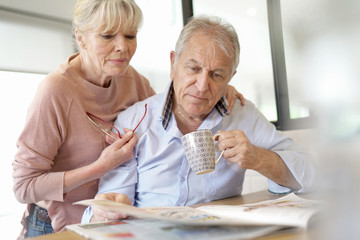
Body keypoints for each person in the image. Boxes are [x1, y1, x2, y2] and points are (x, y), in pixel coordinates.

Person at [11, 1, 243, 239]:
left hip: (107, 222)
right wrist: (101, 167)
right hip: (54, 226)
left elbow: (169, 118)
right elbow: (23, 187)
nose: (122, 46)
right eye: (108, 35)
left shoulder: (132, 80)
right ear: (80, 38)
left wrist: (216, 87)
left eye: (130, 35)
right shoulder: (55, 91)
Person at [82, 15, 316, 223]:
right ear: (173, 64)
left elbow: (313, 174)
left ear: (230, 78)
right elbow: (112, 200)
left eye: (217, 75)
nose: (203, 86)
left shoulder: (243, 114)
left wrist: (258, 158)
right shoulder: (134, 121)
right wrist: (110, 209)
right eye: (193, 69)